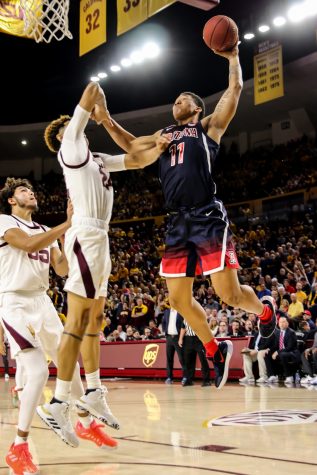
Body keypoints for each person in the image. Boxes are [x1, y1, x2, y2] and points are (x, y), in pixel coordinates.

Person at [92, 44, 276, 389]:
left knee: (230, 296)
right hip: (176, 222)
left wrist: (233, 56)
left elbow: (234, 91)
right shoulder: (164, 136)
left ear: (196, 107)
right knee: (177, 299)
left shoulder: (207, 128)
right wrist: (104, 119)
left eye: (182, 100)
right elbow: (132, 147)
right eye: (174, 100)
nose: (175, 103)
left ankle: (265, 312)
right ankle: (215, 348)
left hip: (207, 215)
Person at [37, 81, 170, 445]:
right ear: (63, 138)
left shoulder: (97, 160)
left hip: (101, 237)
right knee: (78, 320)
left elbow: (137, 159)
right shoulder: (70, 149)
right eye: (71, 126)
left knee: (94, 320)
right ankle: (60, 401)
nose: (77, 128)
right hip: (84, 235)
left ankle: (93, 391)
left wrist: (158, 147)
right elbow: (93, 87)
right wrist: (101, 111)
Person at [0, 178, 117, 475]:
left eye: (31, 190)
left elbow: (62, 269)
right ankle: (18, 447)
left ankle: (84, 422)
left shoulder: (43, 230)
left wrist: (71, 241)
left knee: (69, 364)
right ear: (12, 200)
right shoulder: (3, 221)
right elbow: (25, 244)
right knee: (38, 371)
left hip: (43, 301)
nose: (31, 193)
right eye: (24, 191)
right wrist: (66, 224)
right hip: (14, 303)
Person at [179, 319, 211, 387]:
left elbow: (205, 327)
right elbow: (183, 327)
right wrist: (180, 339)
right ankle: (189, 380)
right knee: (188, 361)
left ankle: (207, 380)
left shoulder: (198, 315)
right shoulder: (185, 317)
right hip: (188, 339)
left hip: (199, 339)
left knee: (203, 360)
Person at [161, 307, 187, 384]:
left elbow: (184, 324)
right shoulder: (167, 311)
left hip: (178, 337)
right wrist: (165, 332)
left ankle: (185, 377)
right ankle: (169, 377)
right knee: (169, 359)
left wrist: (181, 337)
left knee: (181, 358)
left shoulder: (181, 311)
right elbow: (164, 322)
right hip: (169, 338)